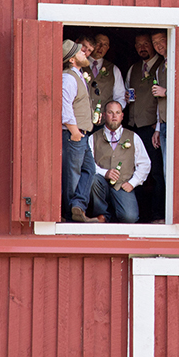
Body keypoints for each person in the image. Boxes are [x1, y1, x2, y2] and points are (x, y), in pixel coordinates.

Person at [124, 32, 165, 222]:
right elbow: (125, 95)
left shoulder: (162, 65)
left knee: (156, 172)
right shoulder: (133, 68)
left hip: (152, 128)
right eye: (138, 44)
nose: (143, 47)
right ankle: (136, 215)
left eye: (146, 44)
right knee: (134, 172)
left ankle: (157, 214)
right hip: (134, 128)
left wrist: (157, 128)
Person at [88, 101, 150, 223]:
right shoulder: (93, 138)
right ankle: (102, 215)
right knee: (93, 179)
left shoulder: (133, 137)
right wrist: (104, 173)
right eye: (110, 113)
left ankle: (115, 213)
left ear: (122, 116)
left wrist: (133, 182)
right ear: (104, 115)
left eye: (117, 113)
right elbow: (88, 164)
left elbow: (145, 163)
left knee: (129, 218)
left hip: (122, 185)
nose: (114, 116)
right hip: (102, 184)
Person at [60, 39, 101, 223]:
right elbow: (64, 107)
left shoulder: (78, 75)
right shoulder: (68, 77)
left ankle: (78, 205)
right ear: (71, 60)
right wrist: (74, 131)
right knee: (73, 174)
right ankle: (71, 215)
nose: (85, 53)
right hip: (74, 134)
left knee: (89, 169)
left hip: (82, 134)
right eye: (80, 52)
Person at [87, 32, 126, 110]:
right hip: (83, 119)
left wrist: (113, 113)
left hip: (105, 120)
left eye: (105, 45)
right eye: (98, 43)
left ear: (108, 48)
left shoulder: (114, 69)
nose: (101, 47)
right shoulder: (80, 66)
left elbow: (120, 97)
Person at [150, 30, 169, 178]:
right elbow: (158, 102)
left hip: (176, 125)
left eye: (161, 40)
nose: (158, 45)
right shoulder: (159, 68)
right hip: (163, 125)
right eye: (155, 43)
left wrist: (166, 93)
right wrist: (157, 128)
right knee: (166, 169)